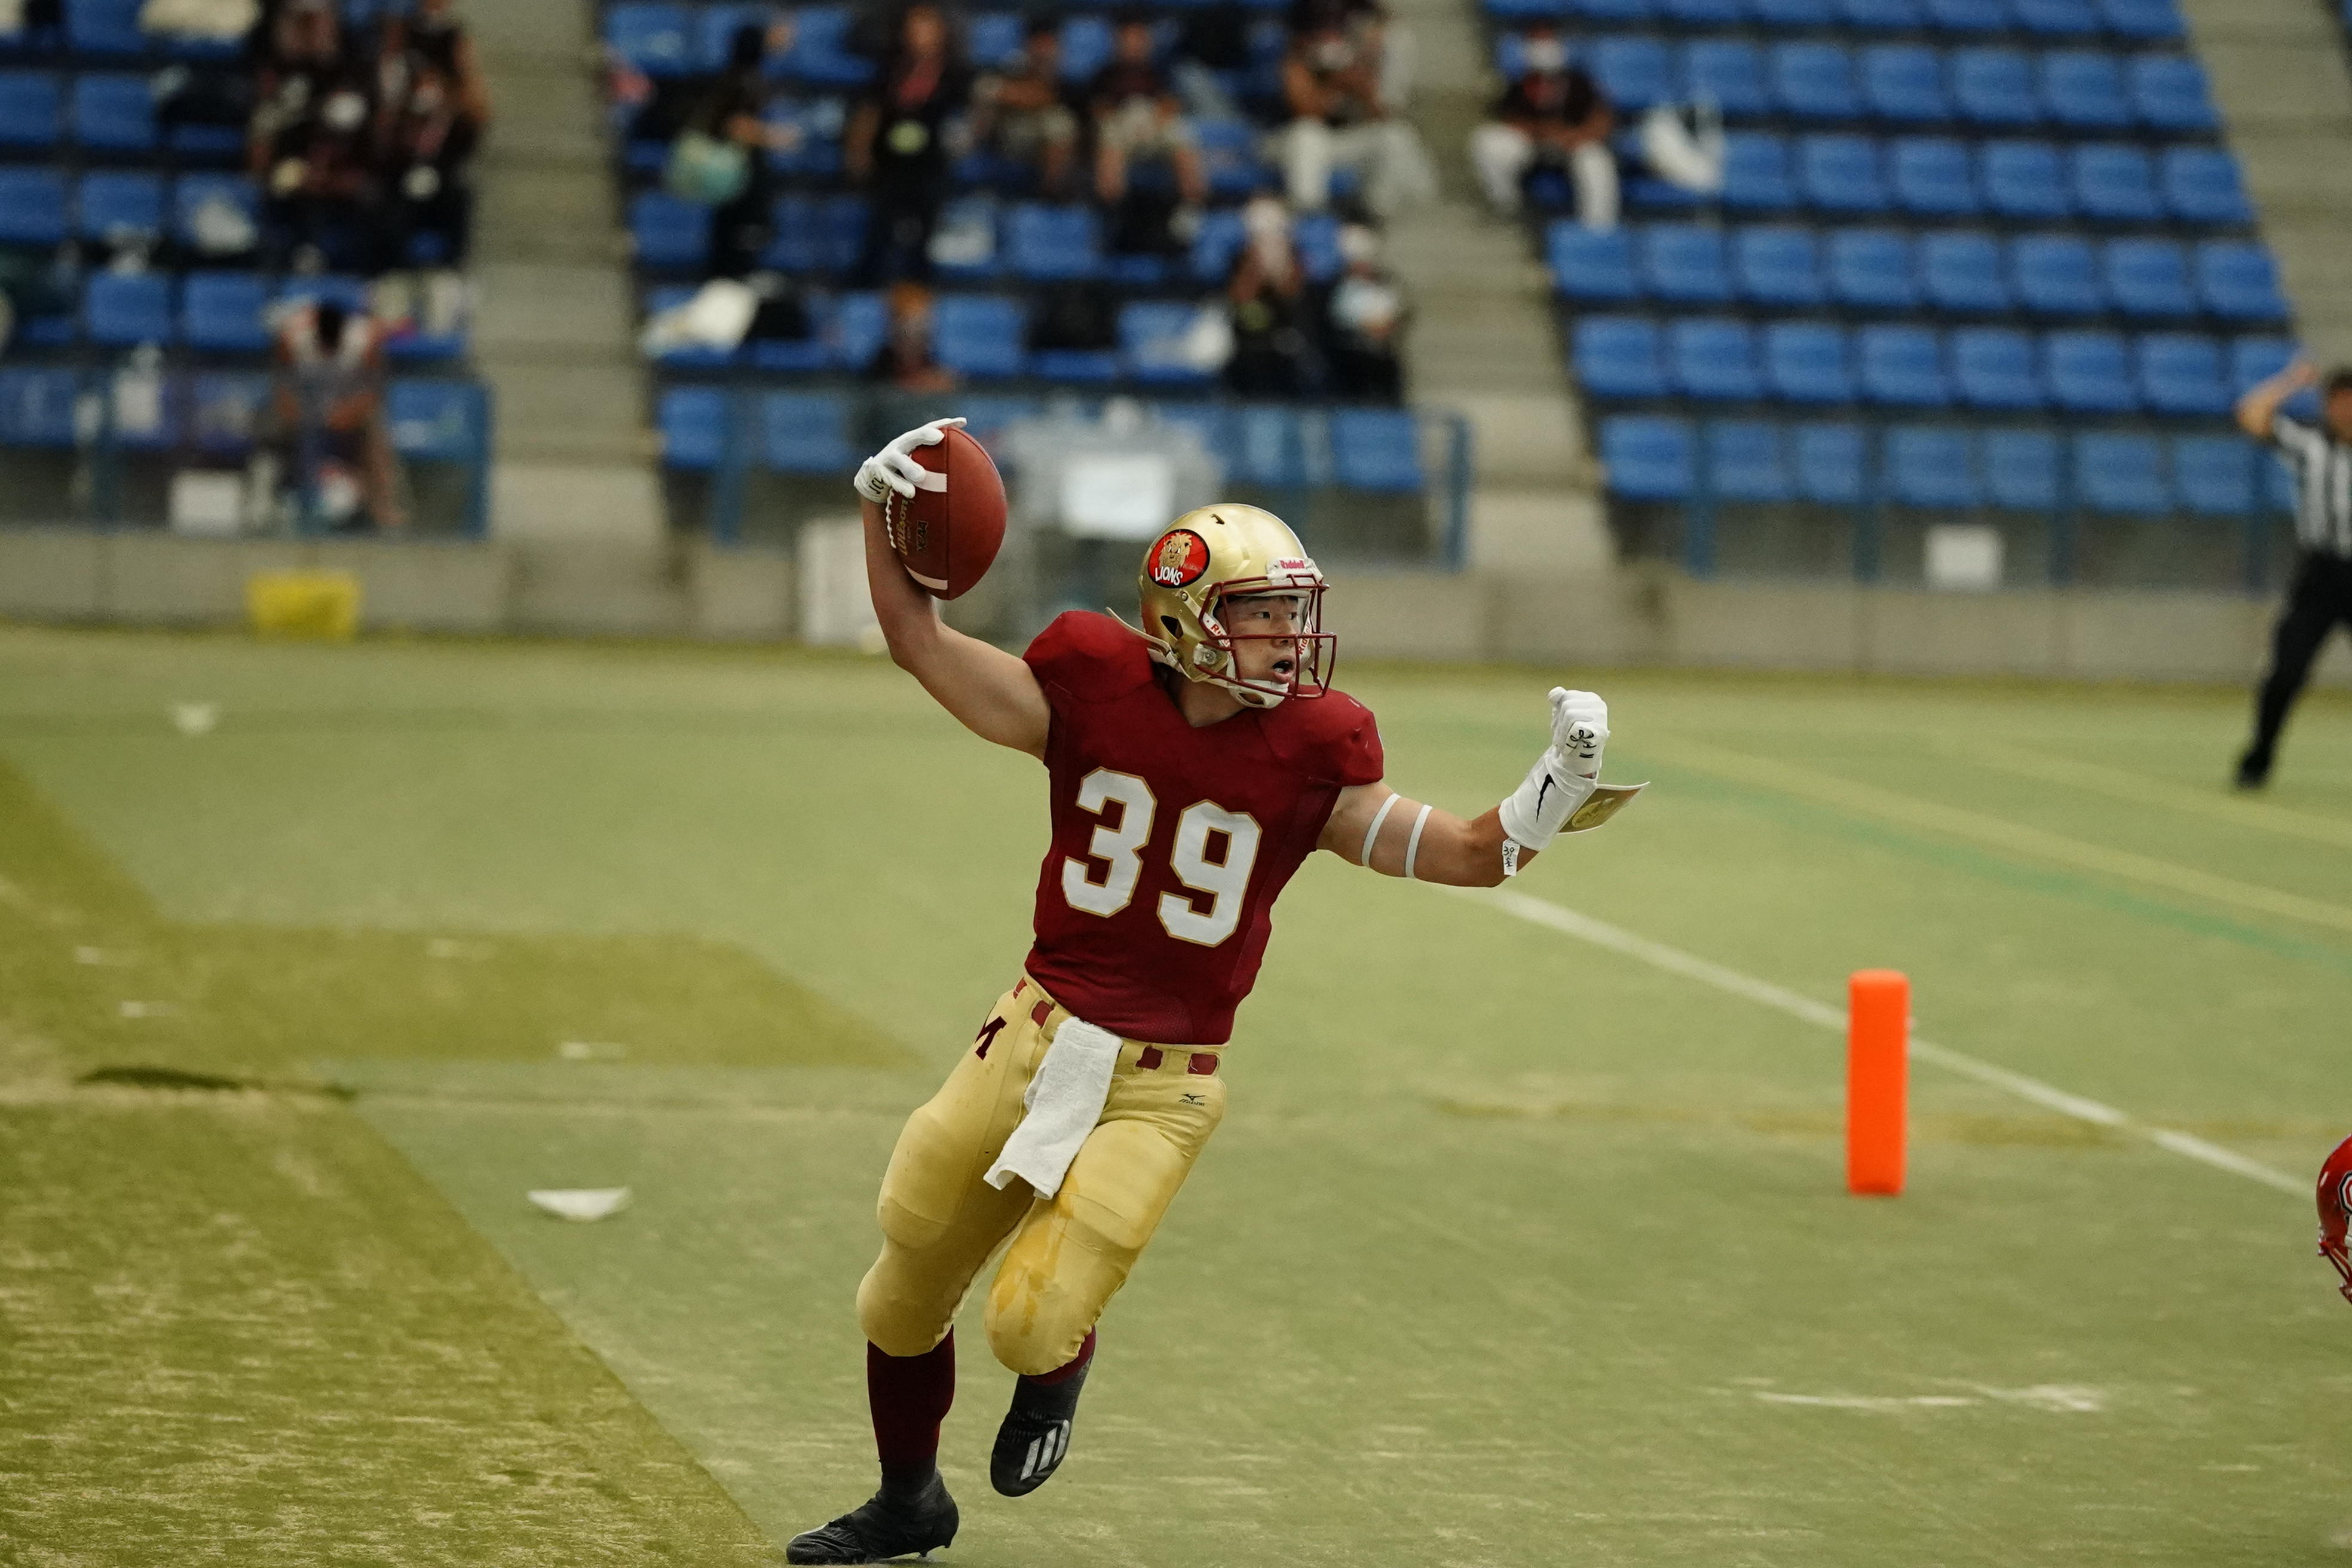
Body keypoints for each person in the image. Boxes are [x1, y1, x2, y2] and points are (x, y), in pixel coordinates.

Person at [782, 416, 1630, 1564]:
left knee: (1028, 1320)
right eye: (1263, 613)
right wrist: (879, 515)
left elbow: (1476, 851)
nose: (1291, 638)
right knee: (899, 1285)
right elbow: (918, 639)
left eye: (1296, 612)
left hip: (1161, 1084)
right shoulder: (1087, 686)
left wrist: (1550, 789)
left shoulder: (1312, 757)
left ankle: (1061, 1364)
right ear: (1188, 614)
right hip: (1028, 1032)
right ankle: (908, 1499)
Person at [2234, 357, 2352, 789]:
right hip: (2320, 576)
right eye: (2340, 403)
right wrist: (2290, 382)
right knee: (2286, 672)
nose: (2347, 412)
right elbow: (2252, 415)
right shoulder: (2311, 445)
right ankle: (2260, 754)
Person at [252, 298, 404, 531]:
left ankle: (382, 508)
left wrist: (349, 412)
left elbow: (375, 392)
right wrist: (293, 409)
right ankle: (267, 506)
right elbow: (281, 386)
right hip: (305, 407)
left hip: (347, 408)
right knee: (270, 426)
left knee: (376, 434)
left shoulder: (364, 340)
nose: (327, 352)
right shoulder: (293, 339)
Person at [847, 2, 970, 282]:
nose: (918, 35)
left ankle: (920, 296)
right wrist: (859, 152)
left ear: (940, 33)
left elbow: (965, 122)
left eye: (926, 28)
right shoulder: (889, 72)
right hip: (889, 168)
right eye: (914, 28)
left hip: (929, 169)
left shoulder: (953, 76)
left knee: (921, 249)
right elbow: (869, 114)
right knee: (878, 241)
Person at [1276, 4, 1434, 219]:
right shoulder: (1299, 59)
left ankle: (1376, 210)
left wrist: (1359, 82)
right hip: (1297, 141)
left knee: (1394, 136)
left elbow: (1380, 115)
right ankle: (1309, 211)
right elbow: (1306, 110)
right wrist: (1335, 82)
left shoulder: (1359, 65)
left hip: (1349, 141)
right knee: (1307, 136)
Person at [1469, 21, 1614, 225]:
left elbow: (1601, 119)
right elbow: (1507, 119)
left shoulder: (1578, 81)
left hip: (1571, 145)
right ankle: (1507, 205)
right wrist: (1541, 131)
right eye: (1537, 41)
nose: (1543, 47)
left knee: (1595, 160)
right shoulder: (1519, 83)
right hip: (1532, 146)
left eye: (1547, 40)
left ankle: (1597, 228)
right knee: (1488, 143)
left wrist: (1575, 136)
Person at [1088, 13, 1206, 213]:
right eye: (1128, 39)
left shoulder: (1160, 71)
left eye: (1138, 39)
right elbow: (1098, 109)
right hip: (1121, 125)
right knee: (1110, 135)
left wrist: (1154, 121)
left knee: (1182, 132)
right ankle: (1111, 209)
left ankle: (1193, 208)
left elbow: (1172, 103)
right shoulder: (1105, 74)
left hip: (1154, 124)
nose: (1133, 45)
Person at [968, 18, 1081, 198]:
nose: (1042, 49)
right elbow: (991, 89)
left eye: (1047, 43)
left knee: (1059, 125)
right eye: (1038, 43)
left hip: (1048, 141)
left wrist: (1023, 96)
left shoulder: (1066, 74)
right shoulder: (1014, 64)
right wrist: (1023, 96)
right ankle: (976, 156)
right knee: (983, 91)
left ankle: (1052, 194)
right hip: (1010, 134)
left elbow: (1050, 99)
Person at [1225, 194, 1315, 397]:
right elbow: (1240, 299)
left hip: (1288, 341)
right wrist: (1256, 268)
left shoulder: (1295, 257)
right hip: (1248, 344)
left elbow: (1295, 295)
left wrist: (1280, 268)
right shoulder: (1239, 258)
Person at [1323, 221, 1405, 402]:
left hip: (1382, 351)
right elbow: (1338, 320)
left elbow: (1398, 314)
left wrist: (1386, 328)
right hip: (1353, 352)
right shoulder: (1339, 288)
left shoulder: (1387, 285)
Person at [867, 281, 956, 392]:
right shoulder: (878, 371)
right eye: (911, 325)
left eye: (924, 326)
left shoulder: (934, 370)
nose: (919, 331)